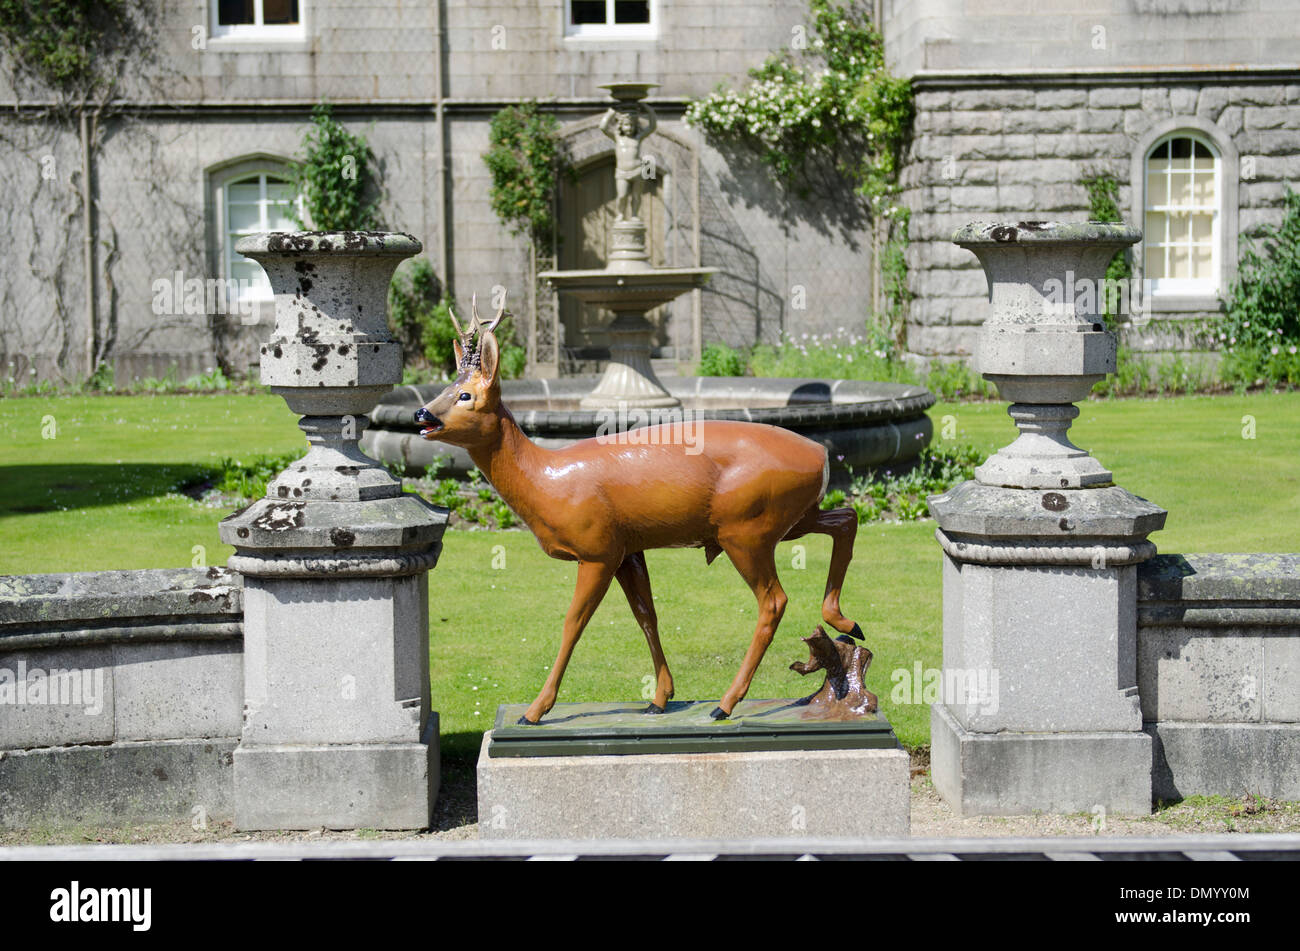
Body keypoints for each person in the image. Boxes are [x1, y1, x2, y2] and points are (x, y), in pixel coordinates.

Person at [599, 102, 657, 221]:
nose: (629, 128)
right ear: (621, 126)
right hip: (622, 172)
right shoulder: (617, 137)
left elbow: (652, 127)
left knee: (636, 196)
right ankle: (620, 213)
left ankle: (634, 214)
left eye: (631, 125)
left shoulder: (638, 137)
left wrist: (649, 110)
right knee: (622, 196)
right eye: (626, 125)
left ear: (635, 126)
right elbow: (603, 127)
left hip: (638, 171)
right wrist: (611, 113)